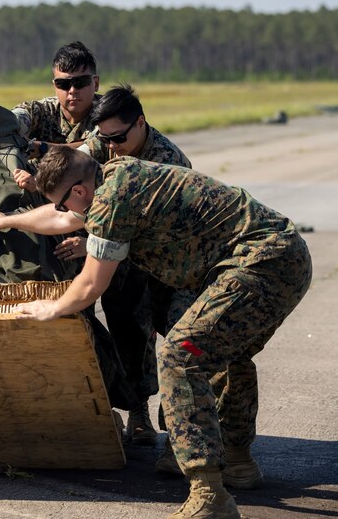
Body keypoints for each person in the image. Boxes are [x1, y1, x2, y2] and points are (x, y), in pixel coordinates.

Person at [0, 148, 311, 519]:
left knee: (180, 356)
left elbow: (90, 285)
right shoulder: (115, 175)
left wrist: (51, 308)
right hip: (281, 256)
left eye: (60, 202)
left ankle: (209, 494)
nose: (60, 210)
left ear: (78, 191)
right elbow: (65, 219)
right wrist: (8, 221)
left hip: (259, 265)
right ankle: (237, 462)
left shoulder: (111, 201)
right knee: (224, 354)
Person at [79, 84, 194, 446]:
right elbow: (82, 156)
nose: (110, 146)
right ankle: (139, 409)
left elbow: (154, 232)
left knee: (177, 338)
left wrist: (91, 240)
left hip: (172, 265)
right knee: (127, 327)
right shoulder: (111, 138)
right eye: (105, 138)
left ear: (141, 124)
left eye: (118, 138)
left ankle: (180, 427)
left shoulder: (168, 162)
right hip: (127, 261)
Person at [11, 40, 101, 191]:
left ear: (96, 83)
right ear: (54, 86)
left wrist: (42, 148)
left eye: (80, 82)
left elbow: (92, 148)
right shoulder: (42, 110)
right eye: (63, 84)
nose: (72, 90)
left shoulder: (109, 114)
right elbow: (16, 118)